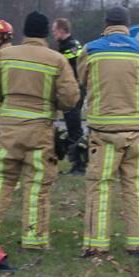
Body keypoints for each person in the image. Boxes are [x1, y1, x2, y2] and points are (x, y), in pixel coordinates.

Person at [0, 12, 80, 250]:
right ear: (45, 34)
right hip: (39, 132)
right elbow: (70, 99)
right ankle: (34, 239)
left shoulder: (5, 55)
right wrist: (52, 103)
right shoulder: (56, 60)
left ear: (24, 31)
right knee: (37, 184)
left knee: (0, 179)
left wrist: (9, 98)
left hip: (8, 130)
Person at [77, 7, 139, 258]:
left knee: (100, 187)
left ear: (106, 24)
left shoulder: (91, 50)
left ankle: (96, 245)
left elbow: (83, 80)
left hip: (104, 132)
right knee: (136, 188)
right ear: (127, 25)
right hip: (137, 131)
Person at [51, 17, 86, 175]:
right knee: (73, 127)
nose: (53, 33)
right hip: (73, 90)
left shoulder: (69, 47)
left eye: (54, 30)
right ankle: (76, 164)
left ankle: (79, 166)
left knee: (74, 128)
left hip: (73, 91)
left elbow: (69, 71)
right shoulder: (71, 45)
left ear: (61, 30)